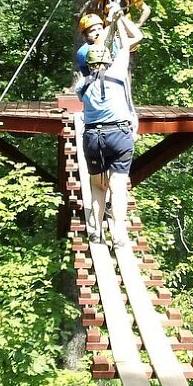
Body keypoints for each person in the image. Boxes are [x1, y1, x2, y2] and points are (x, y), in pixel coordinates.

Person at [75, 13, 143, 248]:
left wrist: (113, 20)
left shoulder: (81, 85)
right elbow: (129, 42)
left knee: (96, 185)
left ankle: (96, 229)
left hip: (93, 137)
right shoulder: (117, 72)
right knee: (118, 185)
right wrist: (119, 17)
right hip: (119, 135)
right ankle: (119, 232)